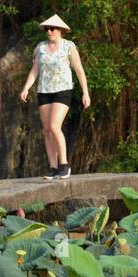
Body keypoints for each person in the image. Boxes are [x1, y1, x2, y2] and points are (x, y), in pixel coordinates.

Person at [19, 14, 90, 179]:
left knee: (54, 126)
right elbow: (35, 70)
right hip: (44, 91)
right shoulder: (40, 47)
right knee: (46, 130)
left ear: (60, 30)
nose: (49, 31)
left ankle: (64, 164)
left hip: (63, 90)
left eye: (52, 28)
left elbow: (79, 70)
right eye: (47, 28)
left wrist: (85, 92)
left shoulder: (68, 46)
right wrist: (26, 88)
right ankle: (52, 168)